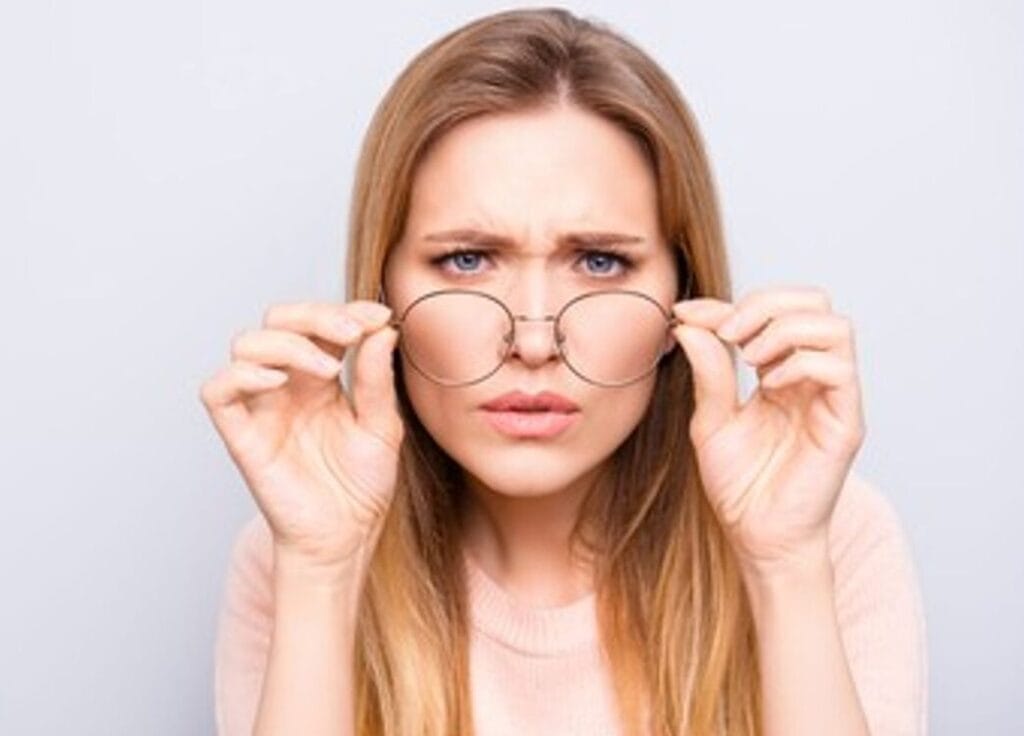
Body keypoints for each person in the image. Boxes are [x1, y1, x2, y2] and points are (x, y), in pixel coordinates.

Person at [200, 8, 928, 736]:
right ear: (382, 295)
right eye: (468, 259)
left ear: (684, 298)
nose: (536, 339)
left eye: (600, 262)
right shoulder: (294, 548)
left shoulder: (831, 536)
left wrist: (786, 567)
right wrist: (321, 575)